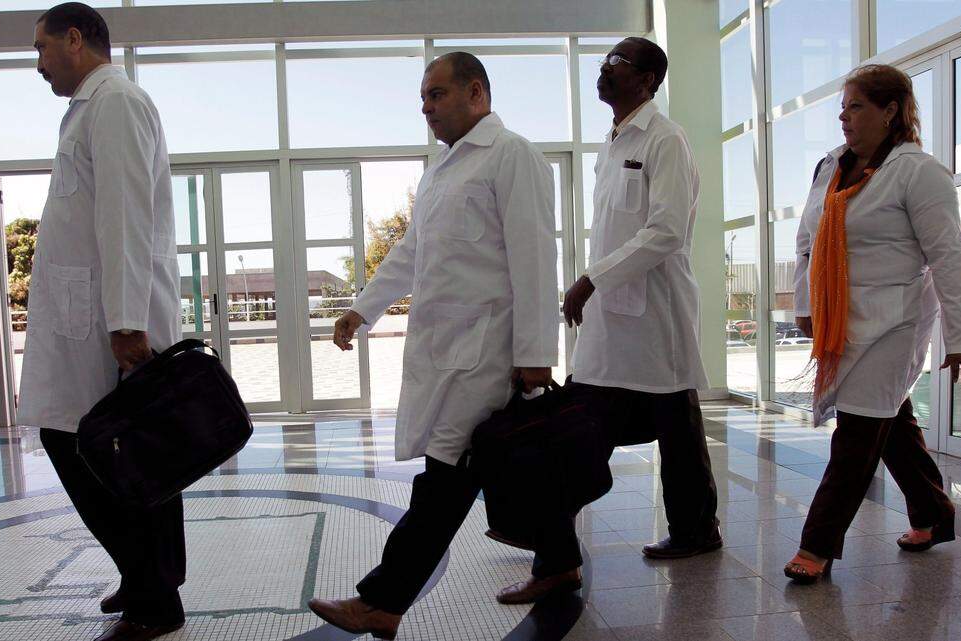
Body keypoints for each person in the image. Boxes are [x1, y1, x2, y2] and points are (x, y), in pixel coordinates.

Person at [307, 52, 561, 639]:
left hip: (488, 354)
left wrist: (533, 356)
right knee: (491, 467)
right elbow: (411, 254)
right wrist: (361, 309)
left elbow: (534, 259)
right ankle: (562, 559)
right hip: (444, 350)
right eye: (423, 98)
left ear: (476, 93)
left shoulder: (512, 156)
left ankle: (383, 601)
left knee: (444, 479)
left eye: (437, 95)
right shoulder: (442, 170)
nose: (426, 108)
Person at [17, 4, 184, 639]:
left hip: (109, 323)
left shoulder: (114, 102)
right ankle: (150, 580)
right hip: (92, 318)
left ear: (76, 39)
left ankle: (153, 597)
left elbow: (125, 216)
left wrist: (125, 320)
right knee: (141, 458)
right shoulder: (93, 106)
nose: (38, 63)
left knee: (82, 444)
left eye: (41, 48)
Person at [783, 64, 961, 584]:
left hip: (897, 321)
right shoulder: (831, 167)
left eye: (856, 107)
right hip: (842, 321)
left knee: (858, 431)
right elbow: (806, 242)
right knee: (889, 424)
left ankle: (816, 544)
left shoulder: (920, 171)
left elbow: (949, 258)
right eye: (842, 108)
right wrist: (806, 306)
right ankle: (935, 516)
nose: (844, 118)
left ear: (891, 111)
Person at [557, 37, 721, 564]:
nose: (603, 70)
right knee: (597, 421)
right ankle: (549, 531)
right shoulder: (614, 143)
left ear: (648, 80)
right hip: (614, 318)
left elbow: (667, 230)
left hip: (655, 315)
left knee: (673, 429)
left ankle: (695, 530)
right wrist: (599, 283)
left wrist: (592, 279)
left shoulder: (664, 140)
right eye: (604, 61)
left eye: (617, 63)